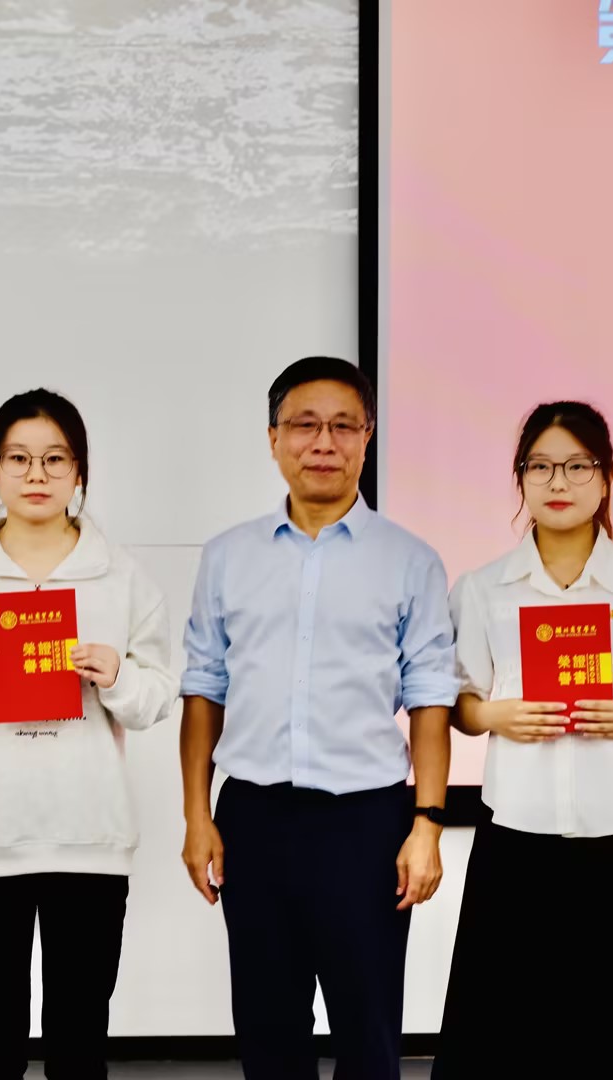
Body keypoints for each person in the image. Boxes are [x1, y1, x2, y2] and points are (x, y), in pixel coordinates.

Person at [179, 356, 459, 1079]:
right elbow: (204, 687)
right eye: (304, 425)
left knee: (369, 1029)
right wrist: (197, 816)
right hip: (253, 819)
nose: (324, 442)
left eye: (343, 426)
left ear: (368, 437)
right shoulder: (227, 556)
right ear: (273, 438)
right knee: (267, 1028)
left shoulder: (410, 560)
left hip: (365, 824)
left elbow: (430, 698)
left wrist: (427, 824)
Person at [0, 388, 178, 1080]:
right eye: (18, 458)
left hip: (89, 836)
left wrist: (116, 676)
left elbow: (156, 697)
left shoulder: (123, 579)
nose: (37, 474)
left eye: (55, 458)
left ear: (80, 471)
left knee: (80, 1043)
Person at [431, 401, 613, 1078]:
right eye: (542, 467)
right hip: (517, 827)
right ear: (520, 478)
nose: (559, 482)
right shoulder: (483, 589)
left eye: (578, 466)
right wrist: (495, 717)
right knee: (508, 1025)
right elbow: (459, 703)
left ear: (606, 478)